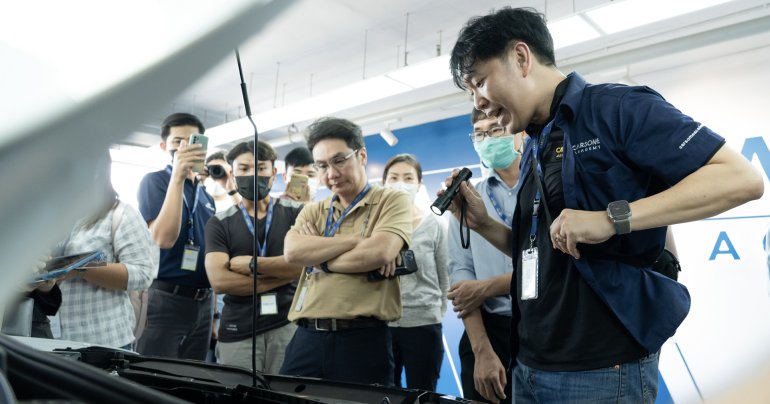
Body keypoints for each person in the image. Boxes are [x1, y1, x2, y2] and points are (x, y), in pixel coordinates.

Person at [446, 7, 763, 403]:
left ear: (521, 58)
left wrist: (613, 219)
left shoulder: (616, 108)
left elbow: (740, 178)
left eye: (479, 82)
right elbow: (542, 251)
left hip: (601, 369)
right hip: (529, 363)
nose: (479, 102)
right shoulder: (534, 144)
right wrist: (482, 224)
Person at [280, 117, 412, 386]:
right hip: (307, 338)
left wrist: (320, 258)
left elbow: (378, 253)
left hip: (362, 341)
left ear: (361, 155)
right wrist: (356, 240)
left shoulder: (392, 200)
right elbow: (293, 252)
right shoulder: (314, 210)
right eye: (322, 166)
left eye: (339, 160)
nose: (331, 173)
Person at [204, 140, 303, 373]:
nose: (252, 174)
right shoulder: (219, 223)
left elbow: (308, 266)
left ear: (273, 173)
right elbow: (220, 282)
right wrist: (284, 274)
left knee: (285, 390)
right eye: (244, 168)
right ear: (232, 174)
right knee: (239, 390)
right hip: (239, 329)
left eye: (260, 168)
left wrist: (252, 265)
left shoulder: (296, 213)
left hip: (288, 325)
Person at [446, 109, 523, 403]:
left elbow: (551, 267)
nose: (488, 139)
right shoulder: (468, 199)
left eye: (496, 130)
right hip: (487, 330)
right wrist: (481, 350)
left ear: (520, 132)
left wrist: (485, 287)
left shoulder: (544, 188)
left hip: (542, 325)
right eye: (480, 134)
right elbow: (461, 275)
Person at [136, 112, 216, 360]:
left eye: (191, 142)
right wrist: (178, 177)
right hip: (166, 298)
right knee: (156, 374)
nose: (185, 148)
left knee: (194, 376)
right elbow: (162, 239)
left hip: (203, 301)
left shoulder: (205, 194)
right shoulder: (155, 182)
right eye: (177, 142)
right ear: (164, 147)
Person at [57, 153, 158, 349]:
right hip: (48, 337)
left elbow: (142, 274)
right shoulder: (52, 214)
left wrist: (80, 268)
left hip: (102, 339)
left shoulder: (121, 214)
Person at [382, 153, 448, 391]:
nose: (401, 183)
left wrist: (434, 312)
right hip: (381, 325)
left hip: (424, 325)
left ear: (419, 184)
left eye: (408, 178)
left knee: (423, 393)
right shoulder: (374, 226)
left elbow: (444, 276)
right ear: (384, 183)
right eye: (394, 177)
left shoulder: (434, 224)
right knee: (384, 393)